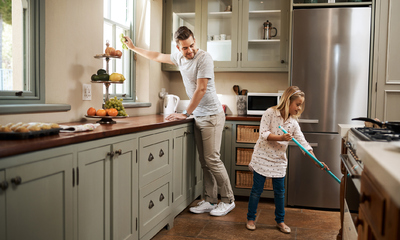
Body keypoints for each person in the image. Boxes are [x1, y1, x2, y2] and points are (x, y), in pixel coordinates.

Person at [123, 26, 235, 216]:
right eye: (185, 48)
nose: (190, 50)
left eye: (192, 45)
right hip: (199, 115)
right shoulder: (178, 58)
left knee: (212, 159)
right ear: (178, 48)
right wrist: (133, 48)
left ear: (194, 41)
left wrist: (185, 113)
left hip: (212, 115)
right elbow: (156, 56)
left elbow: (201, 89)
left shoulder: (204, 58)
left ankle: (228, 199)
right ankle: (209, 199)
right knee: (205, 161)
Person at [245, 86, 330, 233]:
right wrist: (281, 137)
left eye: (300, 105)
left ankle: (280, 221)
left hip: (278, 160)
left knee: (280, 193)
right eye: (297, 104)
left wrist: (316, 161)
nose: (299, 108)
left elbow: (304, 144)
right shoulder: (270, 113)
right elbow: (263, 134)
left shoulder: (293, 123)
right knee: (256, 191)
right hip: (262, 157)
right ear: (287, 101)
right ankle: (251, 218)